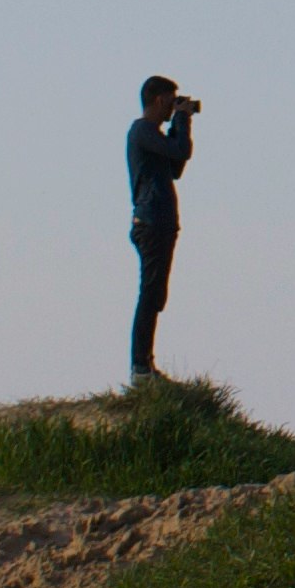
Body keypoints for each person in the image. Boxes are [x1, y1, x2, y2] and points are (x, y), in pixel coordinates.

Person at [125, 75, 200, 384]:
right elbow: (181, 152)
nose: (174, 106)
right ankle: (140, 367)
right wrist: (182, 119)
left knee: (155, 295)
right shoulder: (141, 130)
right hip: (152, 222)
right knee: (149, 294)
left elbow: (176, 167)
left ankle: (145, 365)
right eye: (172, 100)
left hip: (161, 222)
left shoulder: (151, 135)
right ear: (158, 100)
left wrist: (179, 125)